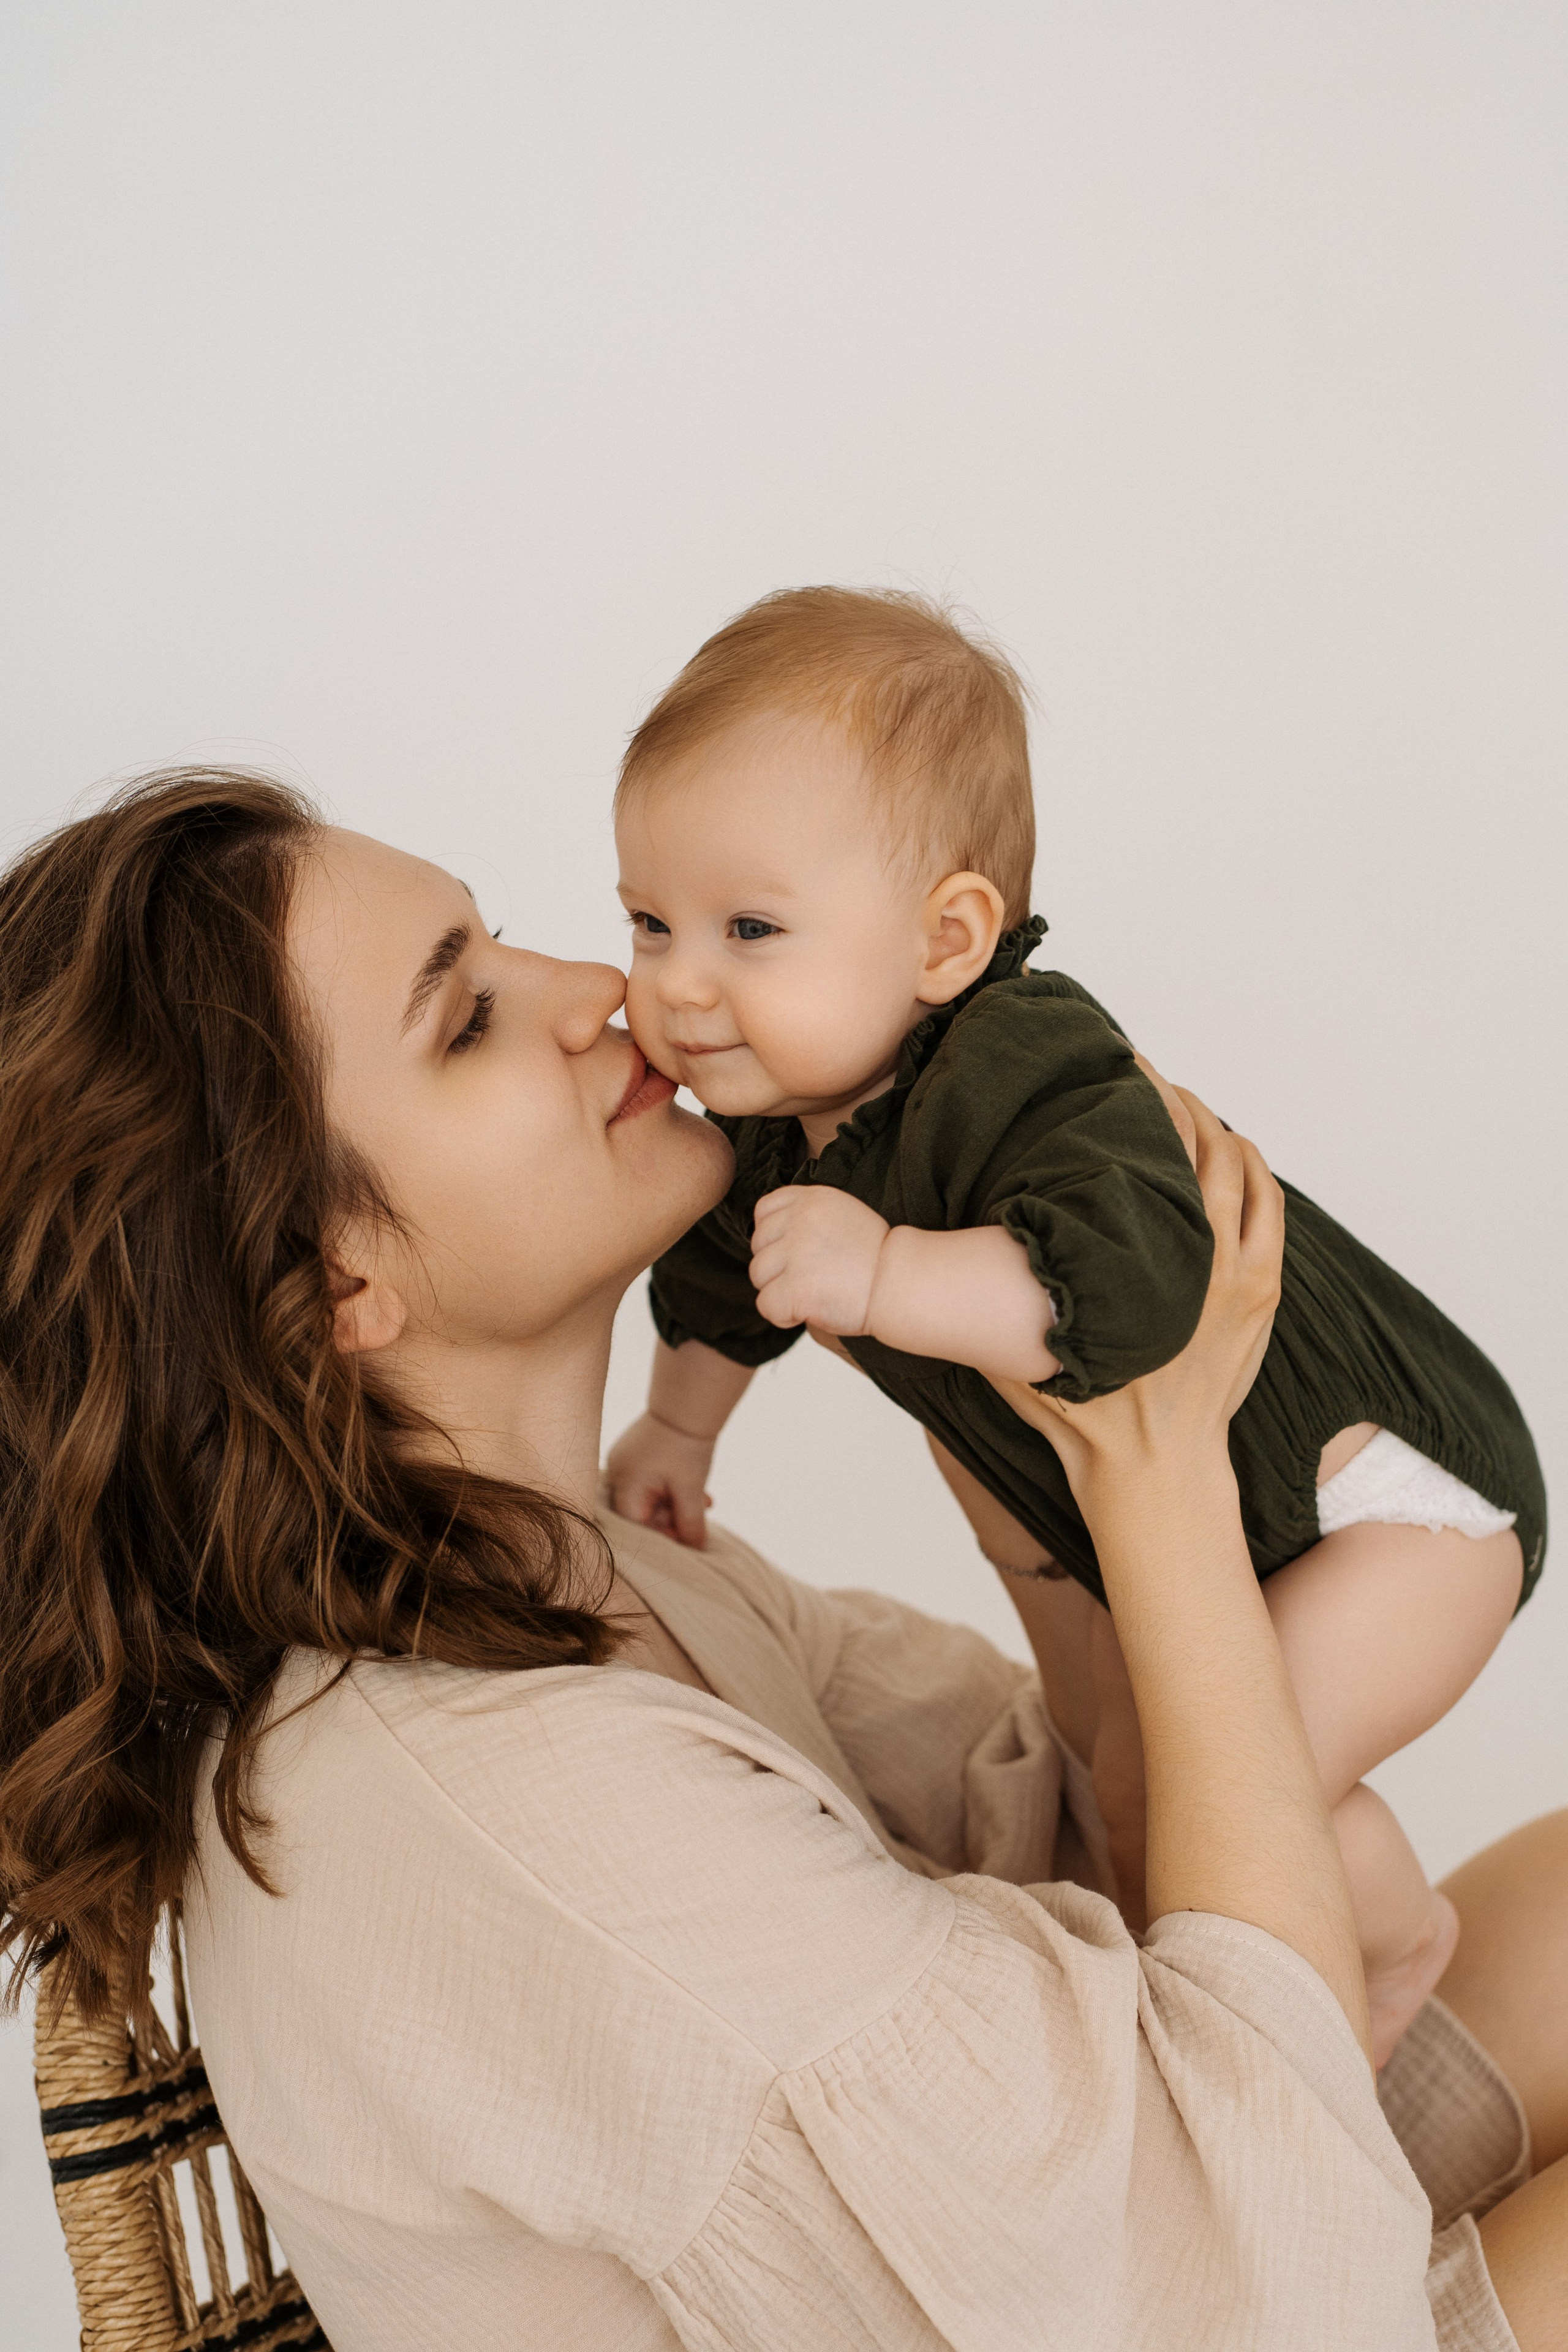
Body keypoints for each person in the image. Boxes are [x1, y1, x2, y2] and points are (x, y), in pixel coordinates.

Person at [1, 769, 1564, 2350]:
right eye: (465, 1016)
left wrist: (1018, 1441)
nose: (600, 990)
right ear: (327, 1286)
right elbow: (1267, 2289)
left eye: (506, 944)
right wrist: (1161, 1493)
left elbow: (1071, 1820)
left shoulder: (595, 1578)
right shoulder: (507, 1816)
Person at [605, 584, 1544, 2064]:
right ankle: (1330, 1966)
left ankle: (1387, 1941)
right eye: (648, 922)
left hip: (1388, 1497)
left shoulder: (1028, 1062)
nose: (676, 984)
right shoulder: (781, 1131)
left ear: (945, 939)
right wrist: (676, 1428)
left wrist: (886, 1277)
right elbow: (725, 1293)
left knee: (1214, 1786)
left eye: (749, 927)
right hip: (1212, 1519)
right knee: (1125, 1785)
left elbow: (1133, 1296)